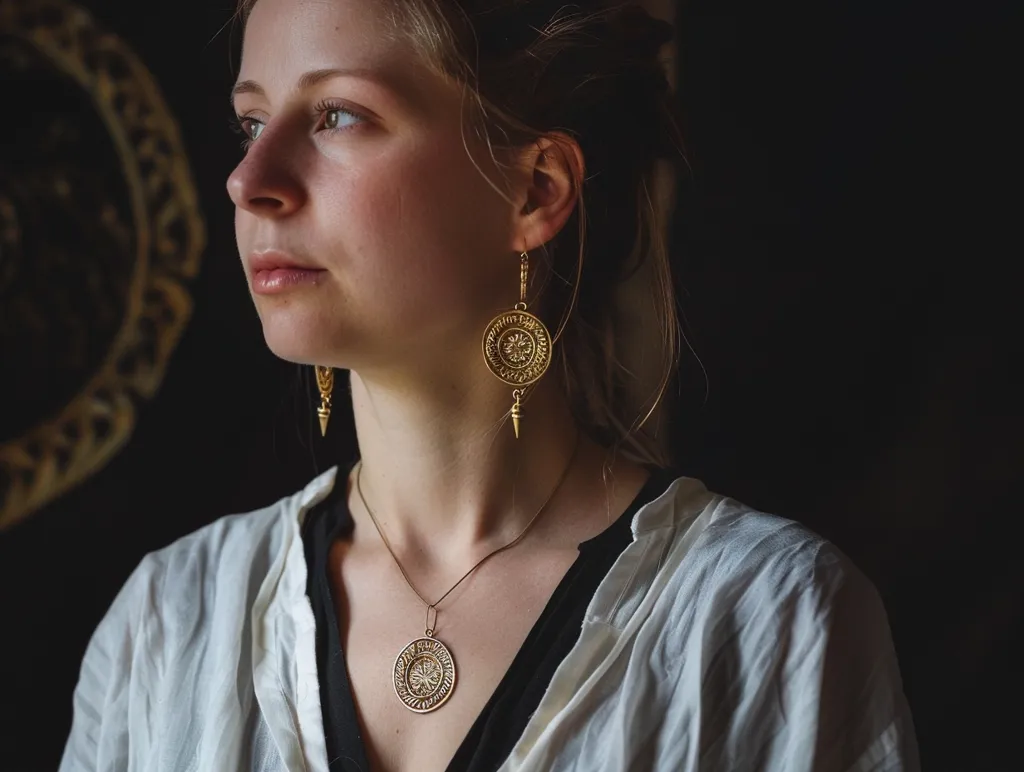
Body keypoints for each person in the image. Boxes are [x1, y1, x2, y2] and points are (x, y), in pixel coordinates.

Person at [58, 0, 919, 770]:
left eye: (338, 115)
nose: (249, 181)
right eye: (250, 124)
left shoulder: (768, 625)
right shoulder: (169, 624)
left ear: (534, 190)